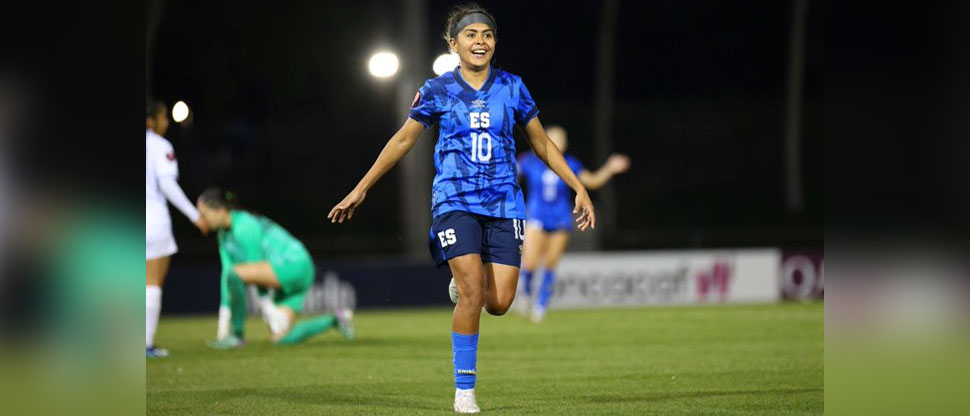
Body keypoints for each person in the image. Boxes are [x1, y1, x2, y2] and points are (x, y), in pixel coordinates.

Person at [327, 4, 596, 413]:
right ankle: (464, 392)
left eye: (487, 34)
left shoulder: (512, 86)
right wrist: (362, 188)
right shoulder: (437, 90)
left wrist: (578, 186)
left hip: (505, 202)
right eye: (470, 35)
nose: (480, 41)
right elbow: (402, 140)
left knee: (500, 302)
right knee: (471, 292)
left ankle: (465, 287)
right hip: (454, 201)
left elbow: (540, 143)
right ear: (453, 44)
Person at [197, 188, 355, 349]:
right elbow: (227, 275)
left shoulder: (244, 224)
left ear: (221, 210)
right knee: (279, 339)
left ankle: (237, 336)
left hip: (295, 264)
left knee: (236, 273)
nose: (201, 220)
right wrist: (223, 321)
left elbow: (253, 267)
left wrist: (267, 308)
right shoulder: (223, 235)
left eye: (204, 214)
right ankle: (335, 319)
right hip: (287, 274)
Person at [516, 125, 630, 322]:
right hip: (536, 217)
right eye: (554, 139)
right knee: (530, 262)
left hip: (561, 219)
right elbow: (510, 171)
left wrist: (609, 169)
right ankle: (525, 295)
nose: (558, 143)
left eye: (562, 139)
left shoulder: (570, 164)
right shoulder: (531, 161)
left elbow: (592, 182)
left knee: (550, 264)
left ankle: (541, 306)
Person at [146, 99, 208, 358]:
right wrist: (195, 216)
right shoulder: (160, 146)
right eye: (162, 117)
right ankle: (146, 344)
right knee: (152, 282)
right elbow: (168, 186)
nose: (166, 122)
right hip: (152, 219)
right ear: (150, 121)